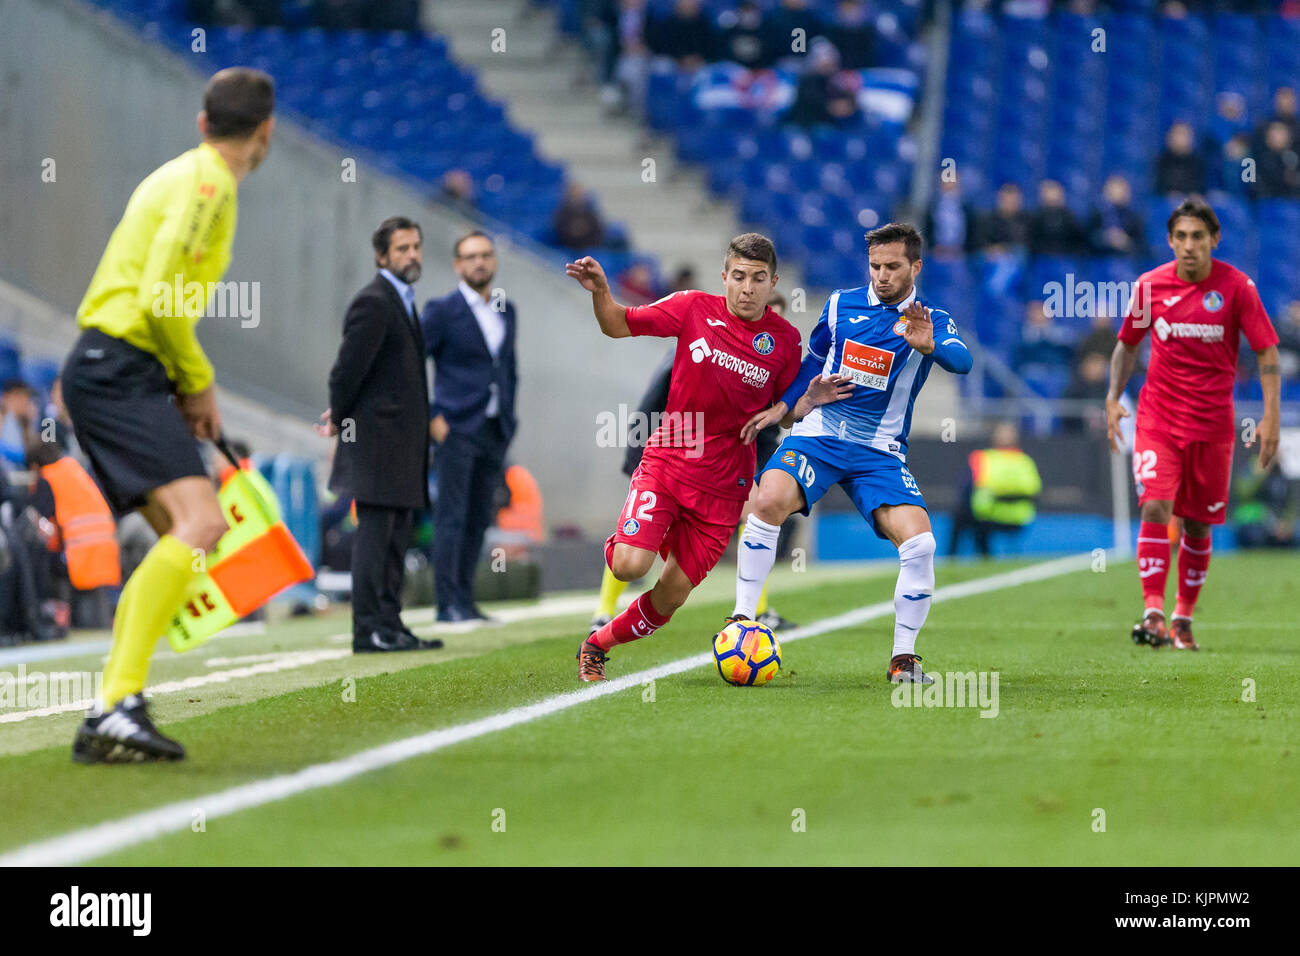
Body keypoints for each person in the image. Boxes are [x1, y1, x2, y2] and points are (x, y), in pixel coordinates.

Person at [59, 68, 274, 763]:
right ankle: (115, 703)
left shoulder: (183, 174)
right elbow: (158, 299)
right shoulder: (210, 185)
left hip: (119, 369)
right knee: (201, 524)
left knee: (178, 534)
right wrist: (199, 381)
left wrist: (178, 384)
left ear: (203, 119)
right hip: (119, 365)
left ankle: (117, 705)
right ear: (266, 132)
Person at [731, 222, 972, 685]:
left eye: (892, 266)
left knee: (920, 544)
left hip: (879, 449)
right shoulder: (842, 304)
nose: (881, 275)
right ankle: (743, 620)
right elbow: (815, 359)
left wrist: (932, 345)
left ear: (915, 267)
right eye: (875, 266)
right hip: (820, 432)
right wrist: (788, 405)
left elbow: (963, 361)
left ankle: (903, 658)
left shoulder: (931, 319)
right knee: (766, 501)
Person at [566, 234, 804, 682]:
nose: (747, 288)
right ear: (724, 277)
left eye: (757, 279)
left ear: (772, 282)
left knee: (670, 597)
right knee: (628, 565)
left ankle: (596, 645)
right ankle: (639, 532)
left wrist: (797, 404)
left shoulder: (786, 342)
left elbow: (791, 411)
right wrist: (602, 293)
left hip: (724, 491)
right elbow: (617, 324)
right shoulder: (693, 307)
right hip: (670, 463)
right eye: (738, 277)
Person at [1106, 197, 1280, 651]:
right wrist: (1111, 397)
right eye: (1180, 237)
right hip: (1159, 420)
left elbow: (1266, 353)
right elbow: (1127, 345)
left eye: (1197, 237)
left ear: (1214, 240)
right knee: (1155, 507)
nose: (1188, 246)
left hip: (1212, 427)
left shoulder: (1238, 288)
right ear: (1169, 240)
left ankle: (1182, 617)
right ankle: (1153, 612)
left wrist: (1272, 415)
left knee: (1199, 526)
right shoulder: (1149, 287)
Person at [587, 288, 799, 635]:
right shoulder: (701, 348)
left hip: (733, 468)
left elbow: (776, 423)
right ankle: (604, 608)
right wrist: (635, 455)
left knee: (757, 516)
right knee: (635, 551)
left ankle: (754, 609)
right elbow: (651, 403)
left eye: (774, 314)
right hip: (674, 458)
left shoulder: (776, 358)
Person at [319, 217, 442, 654]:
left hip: (403, 446)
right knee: (375, 538)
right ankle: (367, 628)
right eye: (402, 248)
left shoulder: (401, 300)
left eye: (416, 246)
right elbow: (346, 370)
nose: (411, 255)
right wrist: (341, 419)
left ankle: (390, 624)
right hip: (376, 443)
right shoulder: (374, 301)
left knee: (395, 539)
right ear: (381, 255)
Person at [421, 231, 518, 623]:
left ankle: (465, 598)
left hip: (494, 428)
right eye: (470, 256)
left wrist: (510, 418)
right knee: (451, 515)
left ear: (493, 261)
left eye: (485, 255)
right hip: (456, 427)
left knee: (480, 516)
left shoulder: (506, 310)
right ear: (457, 265)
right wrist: (431, 417)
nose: (479, 262)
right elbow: (411, 362)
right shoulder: (442, 310)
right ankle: (447, 604)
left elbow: (509, 368)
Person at [948, 421, 1042, 555]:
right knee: (964, 516)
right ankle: (977, 556)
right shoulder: (1023, 461)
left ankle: (963, 557)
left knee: (964, 517)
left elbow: (965, 489)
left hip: (994, 515)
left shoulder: (985, 458)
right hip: (1009, 516)